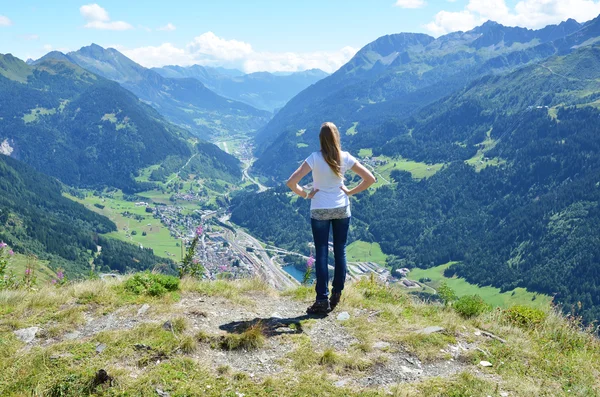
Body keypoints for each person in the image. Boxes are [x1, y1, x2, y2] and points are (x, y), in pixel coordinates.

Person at [286, 122, 376, 314]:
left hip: (319, 209)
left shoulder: (314, 158)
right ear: (337, 138)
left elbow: (291, 182)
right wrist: (350, 191)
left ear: (320, 139)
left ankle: (321, 299)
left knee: (321, 252)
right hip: (341, 208)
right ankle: (337, 294)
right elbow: (370, 179)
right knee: (340, 250)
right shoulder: (345, 158)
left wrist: (306, 194)